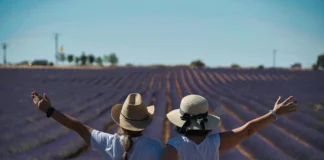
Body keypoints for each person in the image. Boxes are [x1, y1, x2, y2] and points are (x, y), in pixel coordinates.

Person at [31, 91, 163, 160]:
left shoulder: (109, 143)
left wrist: (49, 110)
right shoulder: (155, 147)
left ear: (120, 123)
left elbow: (78, 126)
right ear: (144, 124)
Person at [160, 94, 298, 160]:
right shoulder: (215, 143)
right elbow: (248, 130)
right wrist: (274, 113)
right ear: (206, 122)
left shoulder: (174, 147)